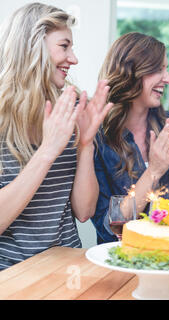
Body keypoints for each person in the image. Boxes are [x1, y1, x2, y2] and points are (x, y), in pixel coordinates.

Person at [0, 3, 113, 270]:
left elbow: (84, 212)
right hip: (10, 274)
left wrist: (86, 145)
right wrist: (48, 150)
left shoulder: (71, 110)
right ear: (33, 47)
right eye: (64, 46)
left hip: (67, 269)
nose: (73, 59)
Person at [92, 32, 169, 246]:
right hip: (128, 257)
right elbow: (108, 227)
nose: (168, 79)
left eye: (166, 68)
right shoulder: (99, 136)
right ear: (131, 73)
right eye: (158, 70)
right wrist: (154, 171)